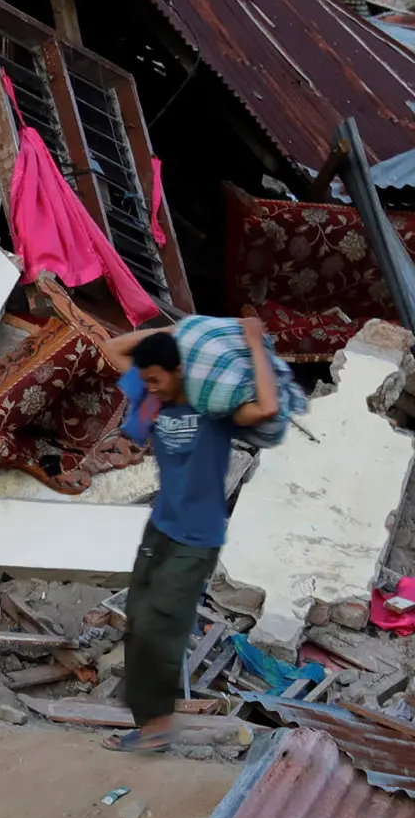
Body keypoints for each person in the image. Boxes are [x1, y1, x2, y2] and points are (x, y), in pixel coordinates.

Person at [96, 318, 280, 756]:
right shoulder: (153, 399)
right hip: (160, 527)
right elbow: (111, 348)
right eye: (147, 381)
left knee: (164, 625)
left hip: (198, 538)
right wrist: (182, 329)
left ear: (179, 372)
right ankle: (149, 725)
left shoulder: (212, 407)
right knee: (138, 619)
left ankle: (159, 725)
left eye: (157, 379)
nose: (151, 388)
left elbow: (268, 408)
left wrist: (252, 340)